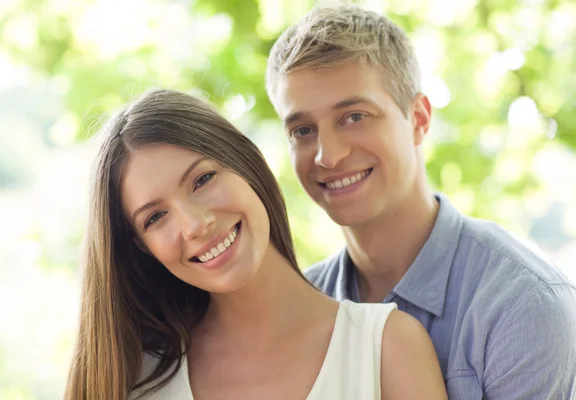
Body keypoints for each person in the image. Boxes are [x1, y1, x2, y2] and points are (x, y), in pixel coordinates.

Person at [266, 4, 576, 399]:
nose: (328, 155)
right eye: (303, 129)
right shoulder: (296, 306)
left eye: (354, 117)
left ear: (419, 119)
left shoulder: (522, 306)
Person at [64, 89, 447, 400]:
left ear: (245, 162)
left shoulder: (385, 348)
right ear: (142, 246)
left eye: (202, 180)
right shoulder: (135, 381)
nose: (196, 225)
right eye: (155, 217)